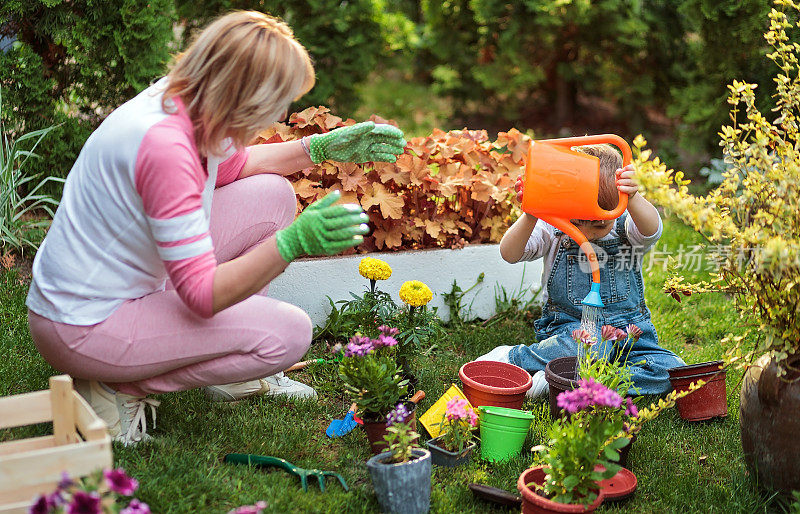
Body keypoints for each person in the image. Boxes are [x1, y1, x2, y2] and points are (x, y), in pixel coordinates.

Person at [25, 11, 406, 445]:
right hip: (83, 326)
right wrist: (291, 243)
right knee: (288, 334)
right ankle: (115, 388)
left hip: (123, 284)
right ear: (243, 93)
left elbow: (233, 168)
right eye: (277, 100)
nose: (283, 111)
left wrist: (318, 148)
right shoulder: (168, 150)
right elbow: (202, 296)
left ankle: (229, 377)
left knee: (273, 196)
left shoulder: (189, 99)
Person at [476, 144, 684, 396]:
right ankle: (513, 358)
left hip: (631, 336)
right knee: (594, 347)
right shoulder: (552, 225)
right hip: (572, 330)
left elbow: (652, 231)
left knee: (672, 371)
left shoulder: (627, 225)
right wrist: (531, 213)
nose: (584, 233)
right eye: (575, 223)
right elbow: (509, 253)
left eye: (598, 225)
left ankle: (579, 382)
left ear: (618, 205)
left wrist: (634, 197)